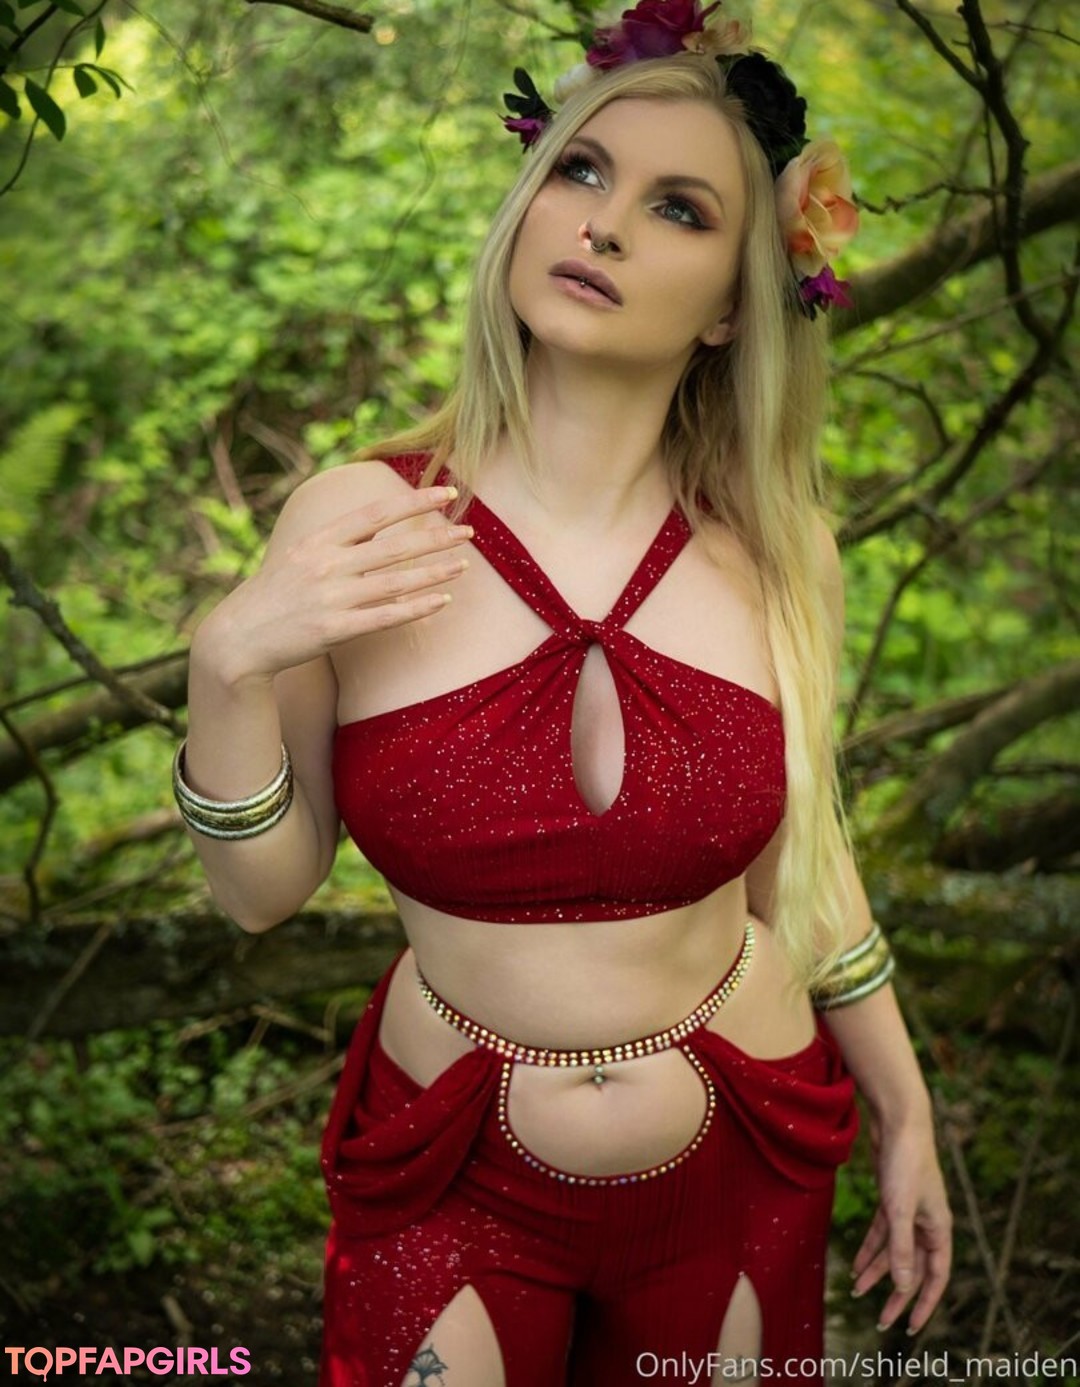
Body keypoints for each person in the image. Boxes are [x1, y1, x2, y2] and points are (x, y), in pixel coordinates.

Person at [174, 4, 952, 1383]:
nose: (603, 224)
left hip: (746, 1138)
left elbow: (806, 870)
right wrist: (227, 661)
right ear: (530, 201)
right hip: (452, 1160)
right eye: (583, 172)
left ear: (733, 306)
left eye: (678, 207)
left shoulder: (780, 553)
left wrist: (905, 1110)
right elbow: (261, 894)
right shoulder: (363, 518)